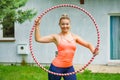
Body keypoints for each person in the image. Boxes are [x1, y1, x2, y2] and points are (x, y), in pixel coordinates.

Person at [34, 14, 99, 80]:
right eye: (63, 24)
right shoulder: (56, 37)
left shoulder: (75, 37)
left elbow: (88, 44)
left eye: (67, 24)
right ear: (59, 25)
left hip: (69, 68)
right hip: (56, 68)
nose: (65, 26)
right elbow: (38, 39)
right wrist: (37, 25)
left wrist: (94, 50)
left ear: (70, 24)